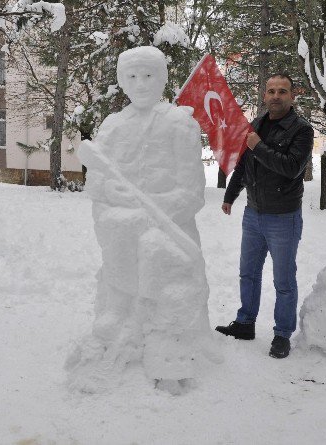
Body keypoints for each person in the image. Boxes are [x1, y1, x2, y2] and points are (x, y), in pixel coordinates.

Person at [67, 46, 218, 394]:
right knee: (123, 234)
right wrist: (115, 197)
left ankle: (165, 337)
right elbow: (97, 181)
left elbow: (192, 191)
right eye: (132, 76)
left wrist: (156, 209)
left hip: (169, 227)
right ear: (122, 81)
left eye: (149, 75)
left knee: (155, 251)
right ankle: (119, 316)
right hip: (122, 224)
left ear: (162, 78)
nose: (141, 83)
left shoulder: (179, 123)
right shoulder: (113, 126)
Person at [215, 74, 314, 359]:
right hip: (254, 214)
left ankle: (282, 334)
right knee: (248, 273)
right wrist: (230, 195)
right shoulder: (257, 124)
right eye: (271, 91)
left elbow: (292, 167)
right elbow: (245, 164)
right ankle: (245, 323)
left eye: (282, 91)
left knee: (283, 281)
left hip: (283, 217)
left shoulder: (302, 130)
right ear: (264, 96)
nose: (275, 96)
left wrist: (258, 145)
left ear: (292, 96)